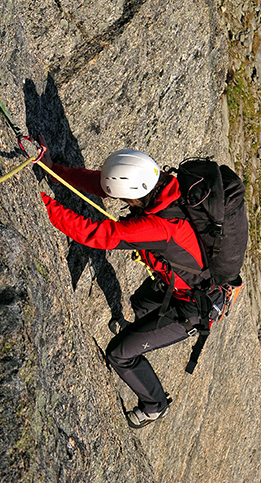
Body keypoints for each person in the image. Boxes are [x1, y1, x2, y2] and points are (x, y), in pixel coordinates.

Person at [39, 147, 209, 428]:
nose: (119, 200)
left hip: (194, 308)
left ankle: (155, 405)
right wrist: (54, 171)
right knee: (141, 301)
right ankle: (143, 334)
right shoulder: (165, 185)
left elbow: (98, 234)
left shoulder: (157, 226)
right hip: (185, 287)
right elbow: (103, 184)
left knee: (120, 353)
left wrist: (44, 205)